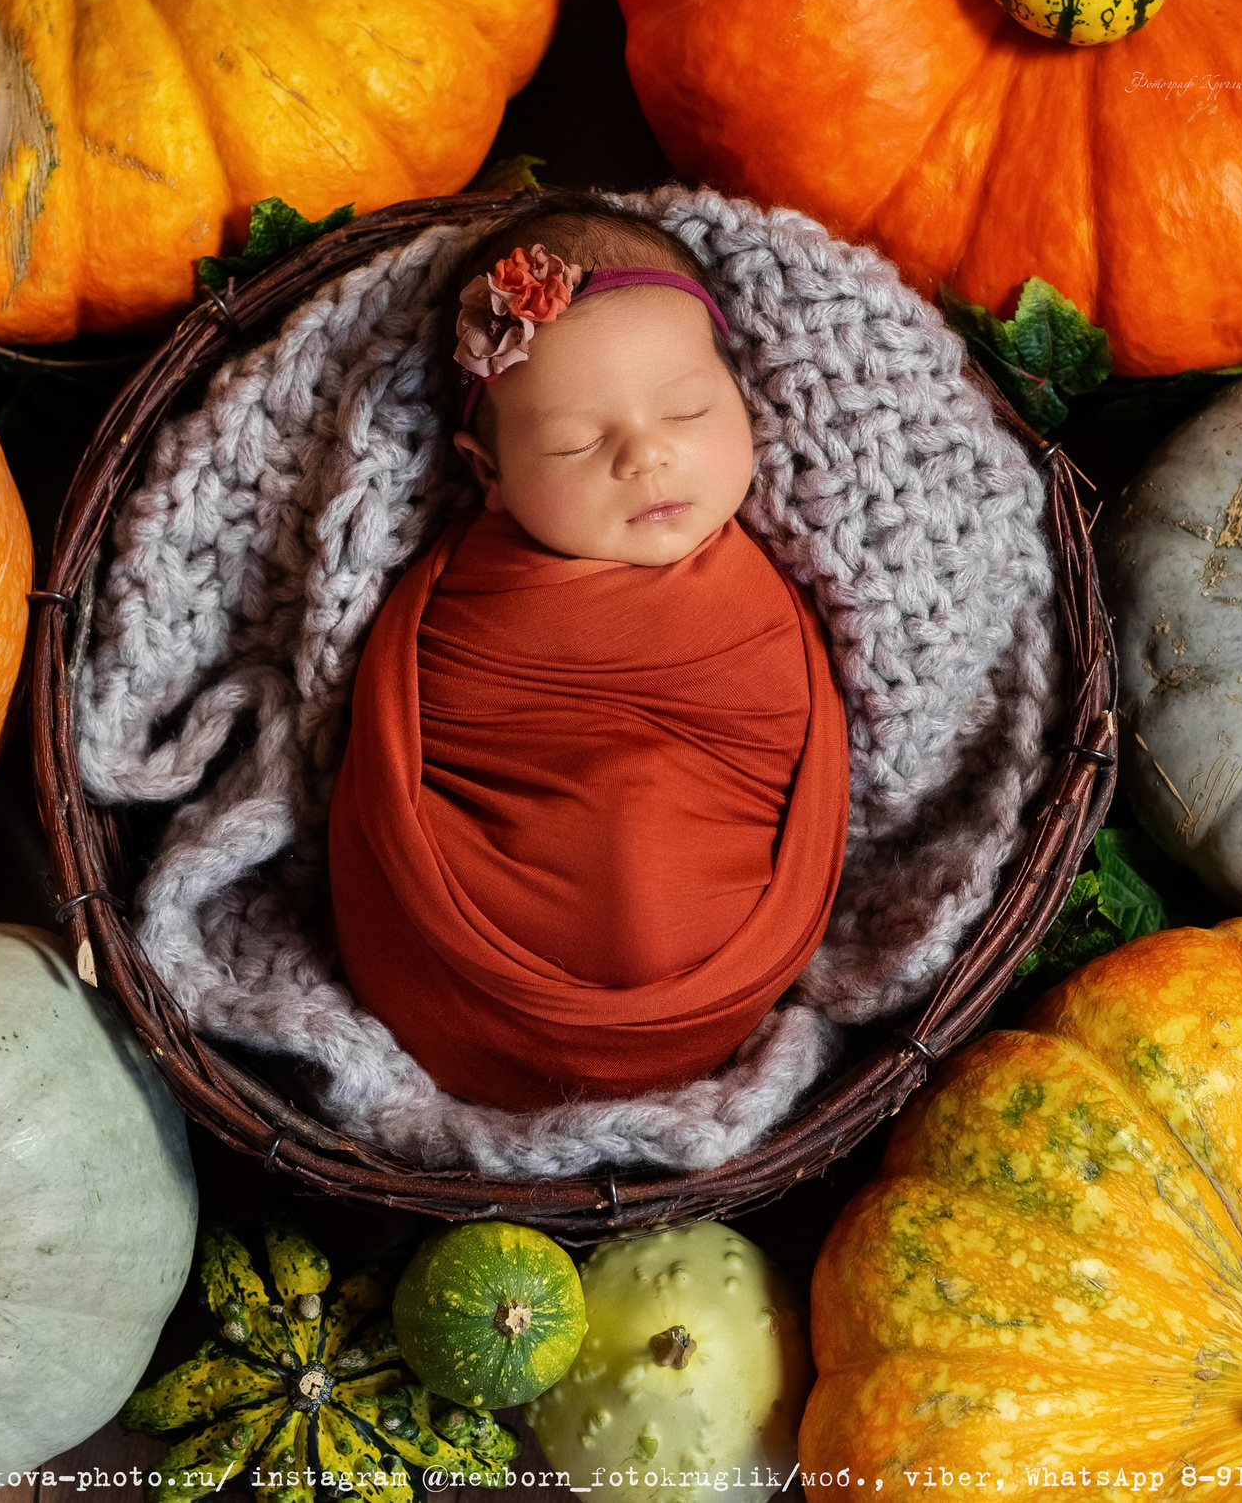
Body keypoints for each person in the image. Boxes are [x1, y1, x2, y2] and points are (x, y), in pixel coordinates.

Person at [327, 195, 851, 1110]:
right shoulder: (464, 602)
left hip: (720, 978)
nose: (646, 457)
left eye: (688, 411)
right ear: (487, 475)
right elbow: (409, 745)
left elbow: (785, 742)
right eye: (575, 442)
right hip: (467, 983)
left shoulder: (774, 589)